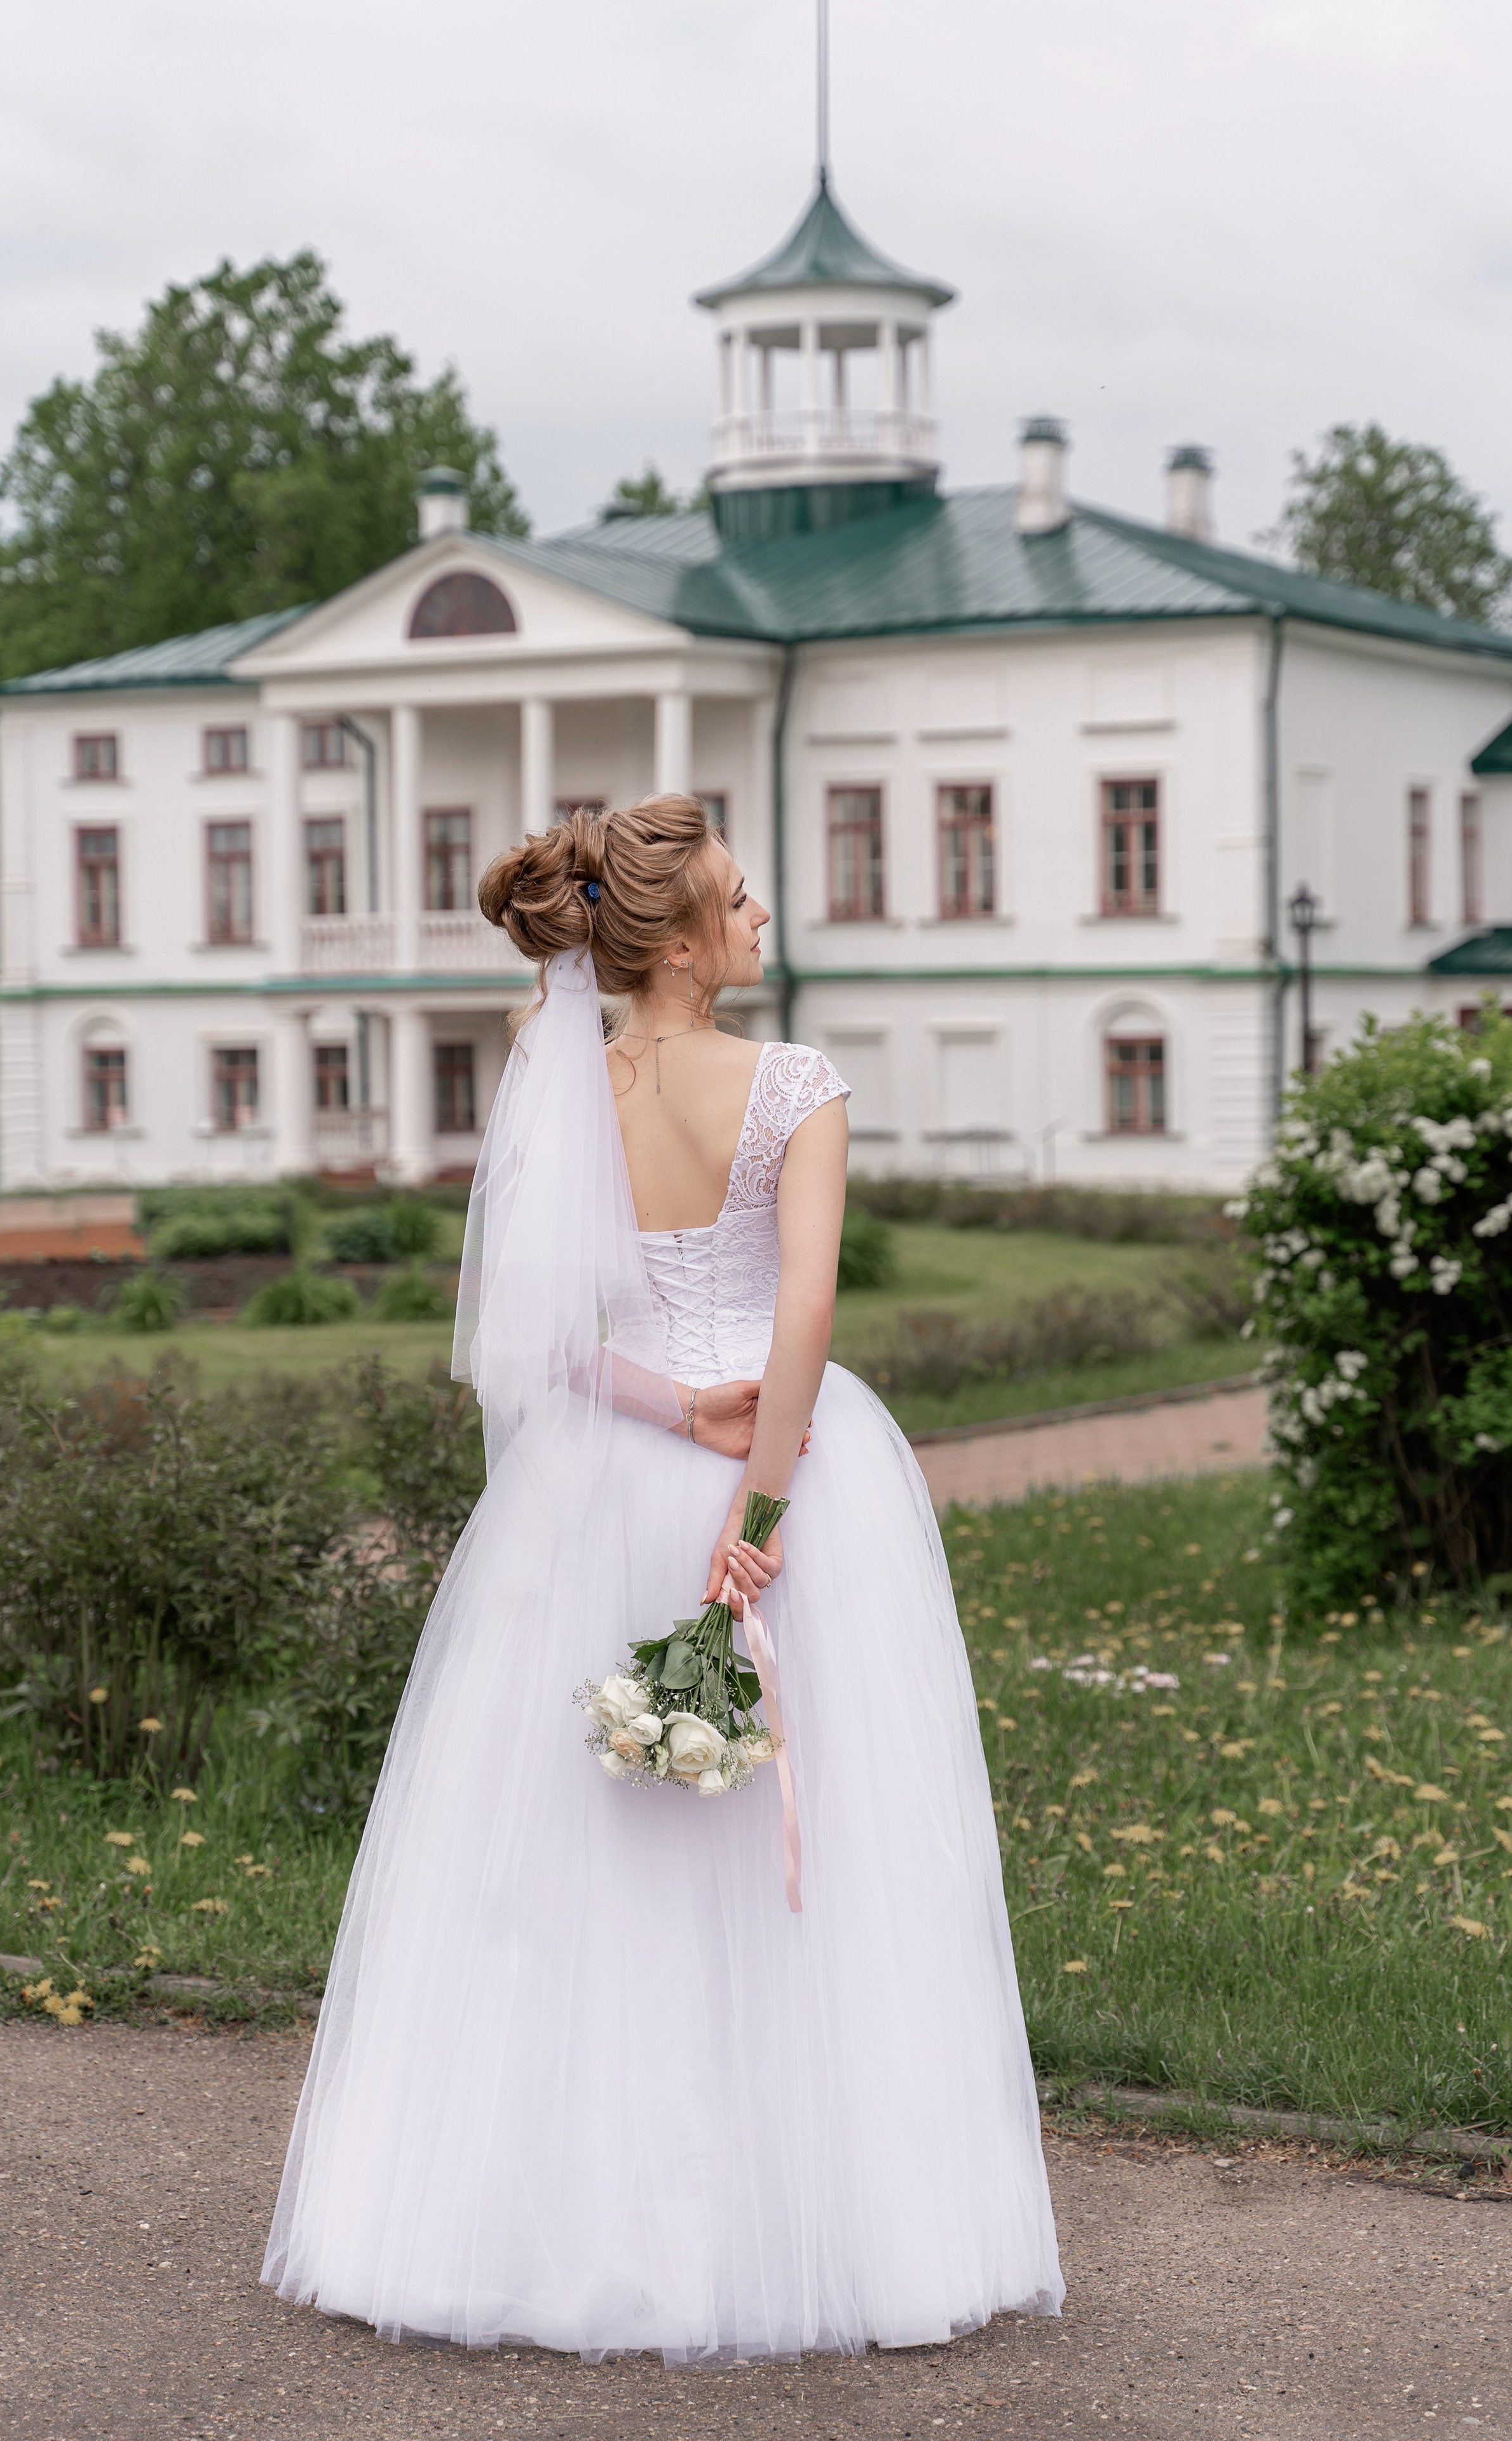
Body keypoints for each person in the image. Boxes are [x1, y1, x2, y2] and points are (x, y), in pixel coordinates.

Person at [262, 793, 1061, 2363]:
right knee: (817, 1876)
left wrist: (668, 1410)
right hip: (779, 1479)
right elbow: (806, 1316)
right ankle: (823, 2228)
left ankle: (536, 2226)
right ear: (685, 941)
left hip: (598, 1485)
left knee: (566, 1865)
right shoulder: (791, 1086)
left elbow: (541, 1334)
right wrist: (756, 1510)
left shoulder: (556, 1074)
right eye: (745, 902)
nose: (763, 920)